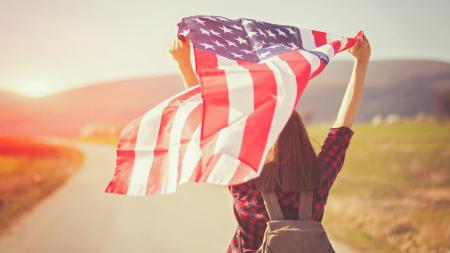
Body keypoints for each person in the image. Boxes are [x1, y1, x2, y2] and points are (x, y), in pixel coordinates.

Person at [170, 34, 371, 252]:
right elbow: (341, 130)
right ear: (301, 136)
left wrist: (185, 65)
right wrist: (361, 63)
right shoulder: (318, 179)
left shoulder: (244, 180)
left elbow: (211, 122)